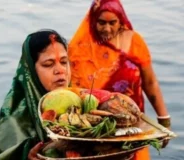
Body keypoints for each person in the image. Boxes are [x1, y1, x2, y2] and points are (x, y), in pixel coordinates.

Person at [68, 0, 171, 159]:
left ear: (121, 21)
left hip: (132, 128)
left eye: (112, 23)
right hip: (96, 132)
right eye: (101, 22)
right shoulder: (79, 48)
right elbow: (72, 92)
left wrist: (163, 120)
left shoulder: (134, 42)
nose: (107, 28)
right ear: (93, 20)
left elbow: (150, 83)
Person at [0, 29, 71, 160]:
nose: (60, 70)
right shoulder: (15, 125)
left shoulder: (83, 108)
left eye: (64, 62)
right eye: (48, 64)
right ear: (30, 72)